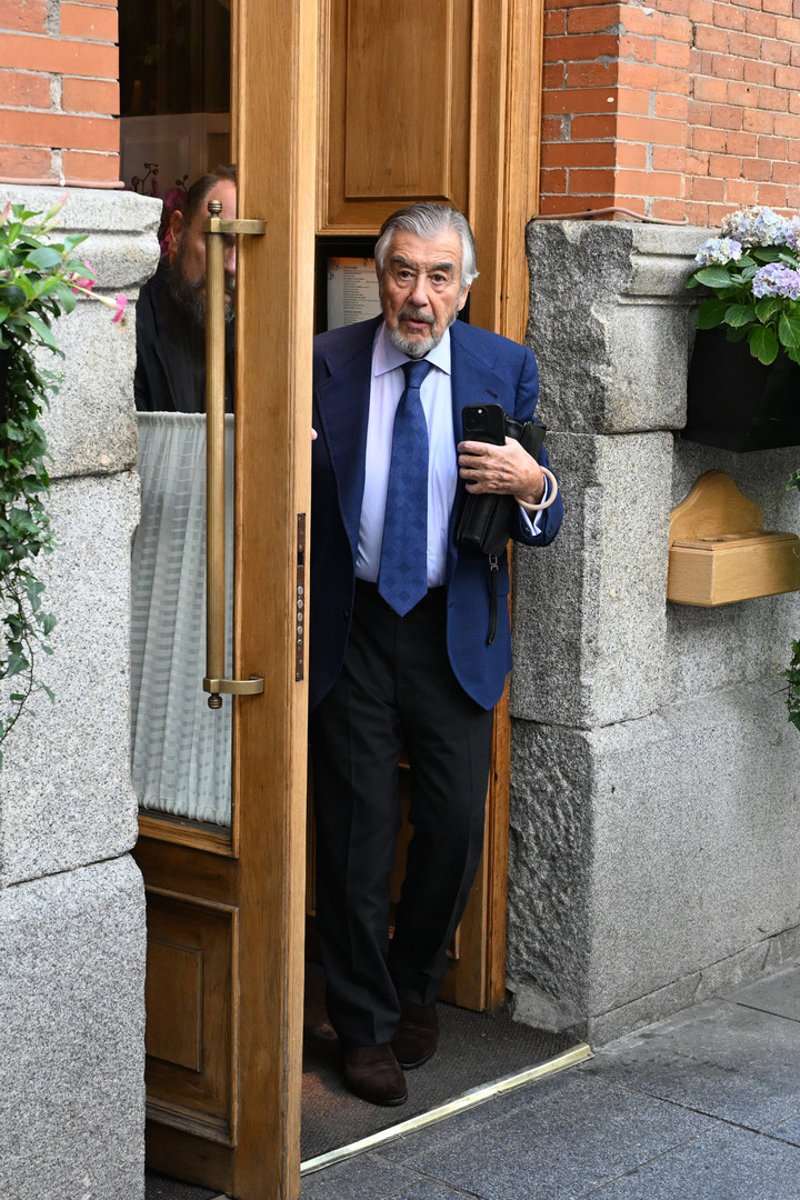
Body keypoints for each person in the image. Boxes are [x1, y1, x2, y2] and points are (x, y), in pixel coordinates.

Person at [309, 201, 564, 1107]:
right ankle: (364, 1023)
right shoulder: (324, 362)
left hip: (452, 630)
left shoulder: (505, 367)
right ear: (379, 278)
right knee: (355, 833)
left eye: (440, 277)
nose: (419, 296)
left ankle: (415, 984)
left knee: (453, 825)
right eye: (403, 273)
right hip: (353, 627)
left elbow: (544, 522)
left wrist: (534, 484)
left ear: (467, 287)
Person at [134, 164, 237, 413]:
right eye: (218, 239)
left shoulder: (262, 330)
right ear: (177, 231)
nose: (232, 266)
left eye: (249, 246)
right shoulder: (132, 319)